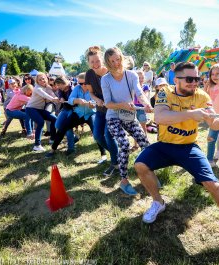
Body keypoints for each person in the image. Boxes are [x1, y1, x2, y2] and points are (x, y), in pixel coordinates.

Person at [134, 62, 219, 265]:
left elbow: (214, 123)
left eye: (197, 79)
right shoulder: (165, 92)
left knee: (213, 184)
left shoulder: (202, 96)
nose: (195, 82)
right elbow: (160, 117)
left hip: (188, 148)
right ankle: (158, 202)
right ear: (176, 80)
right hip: (164, 145)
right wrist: (192, 115)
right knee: (140, 165)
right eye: (189, 79)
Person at [101, 47, 153, 196]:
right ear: (108, 63)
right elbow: (108, 103)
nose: (116, 63)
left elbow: (139, 91)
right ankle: (124, 180)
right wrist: (122, 105)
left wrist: (146, 104)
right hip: (113, 117)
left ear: (122, 58)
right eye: (112, 61)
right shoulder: (106, 79)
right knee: (124, 145)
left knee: (145, 143)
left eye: (118, 59)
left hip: (129, 116)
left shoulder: (131, 75)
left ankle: (148, 174)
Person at [46, 73, 107, 160]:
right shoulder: (77, 88)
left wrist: (93, 105)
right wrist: (76, 100)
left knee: (97, 133)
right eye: (79, 83)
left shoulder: (95, 89)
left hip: (91, 114)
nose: (81, 85)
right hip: (78, 113)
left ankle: (103, 154)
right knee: (62, 127)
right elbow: (70, 99)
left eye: (83, 83)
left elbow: (99, 102)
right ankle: (53, 149)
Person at [85, 46, 119, 176]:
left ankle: (115, 163)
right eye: (92, 62)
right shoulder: (89, 74)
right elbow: (91, 93)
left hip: (113, 109)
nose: (95, 64)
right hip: (100, 109)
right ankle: (116, 154)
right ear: (88, 62)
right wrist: (96, 100)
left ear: (103, 60)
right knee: (97, 136)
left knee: (109, 136)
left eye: (97, 61)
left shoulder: (110, 71)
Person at [26, 72, 59, 151]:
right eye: (40, 79)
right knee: (41, 122)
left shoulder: (48, 87)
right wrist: (53, 99)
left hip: (40, 110)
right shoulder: (37, 88)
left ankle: (52, 139)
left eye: (43, 78)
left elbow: (52, 94)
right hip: (31, 108)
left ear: (46, 79)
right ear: (37, 81)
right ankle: (37, 145)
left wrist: (57, 98)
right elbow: (44, 95)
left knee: (54, 119)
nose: (42, 80)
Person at [131, 69, 151, 152]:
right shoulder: (133, 87)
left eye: (142, 77)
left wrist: (142, 93)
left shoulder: (145, 87)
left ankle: (146, 142)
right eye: (139, 78)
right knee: (135, 127)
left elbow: (145, 95)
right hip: (134, 109)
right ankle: (135, 145)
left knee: (143, 127)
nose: (141, 79)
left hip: (142, 109)